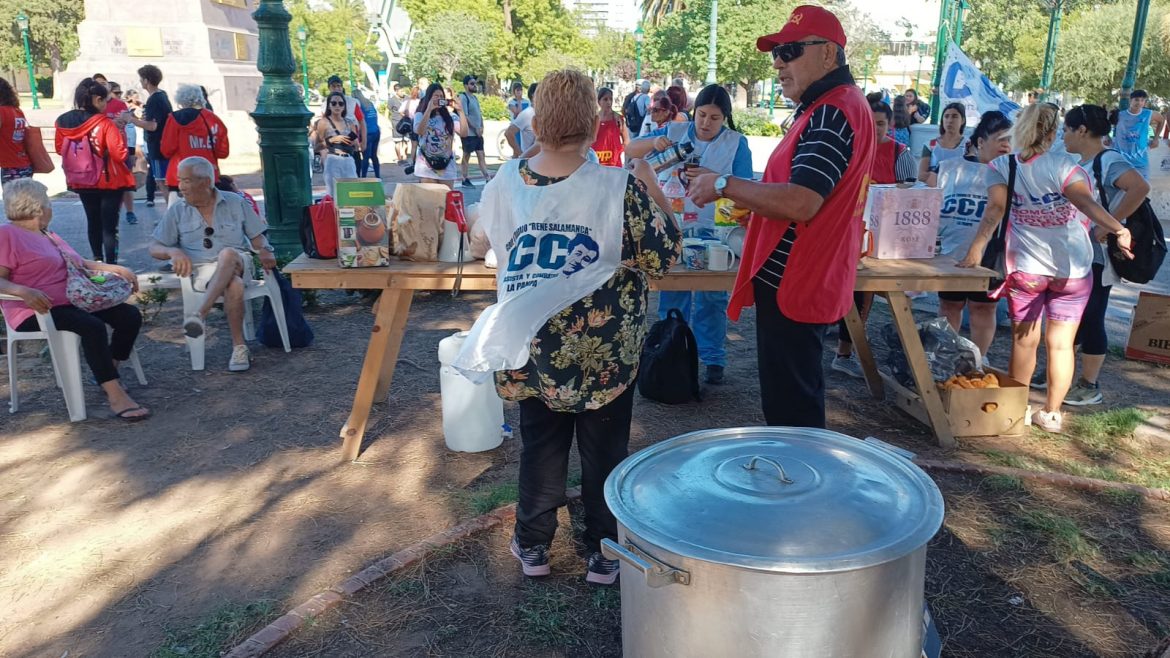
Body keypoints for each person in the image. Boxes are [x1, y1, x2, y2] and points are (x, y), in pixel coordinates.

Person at [456, 69, 679, 586]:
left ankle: (533, 545)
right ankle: (603, 553)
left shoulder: (504, 181)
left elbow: (478, 244)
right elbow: (664, 253)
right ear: (592, 121)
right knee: (605, 455)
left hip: (531, 348)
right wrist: (651, 185)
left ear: (537, 120)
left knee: (541, 450)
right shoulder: (617, 187)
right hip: (604, 355)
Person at [687, 4, 877, 428]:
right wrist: (755, 209)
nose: (778, 62)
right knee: (794, 399)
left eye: (789, 51)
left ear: (828, 54)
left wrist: (723, 184)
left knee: (792, 411)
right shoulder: (833, 106)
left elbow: (802, 201)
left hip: (799, 280)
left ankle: (801, 487)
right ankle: (799, 480)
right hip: (805, 276)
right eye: (776, 53)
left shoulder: (832, 111)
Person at [958, 103, 1133, 432]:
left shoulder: (1001, 166)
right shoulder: (1067, 167)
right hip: (1072, 270)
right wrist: (1118, 229)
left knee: (1024, 342)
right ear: (1053, 133)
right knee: (1061, 345)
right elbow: (1085, 203)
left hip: (1026, 269)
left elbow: (995, 210)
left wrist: (976, 248)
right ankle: (1051, 413)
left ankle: (1017, 409)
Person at [627, 84, 753, 385]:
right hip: (674, 225)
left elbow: (748, 186)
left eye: (715, 118)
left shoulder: (737, 143)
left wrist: (717, 178)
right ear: (693, 113)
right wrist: (654, 142)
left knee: (713, 294)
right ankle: (671, 350)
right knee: (673, 289)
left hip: (717, 230)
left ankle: (712, 358)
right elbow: (630, 152)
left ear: (726, 118)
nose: (706, 123)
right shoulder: (674, 132)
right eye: (702, 115)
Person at [0, 178, 149, 420]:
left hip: (73, 301)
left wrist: (114, 269)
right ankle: (115, 395)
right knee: (92, 327)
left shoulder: (47, 234)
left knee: (128, 316)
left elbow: (79, 263)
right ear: (38, 206)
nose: (51, 207)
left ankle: (107, 371)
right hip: (35, 310)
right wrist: (23, 291)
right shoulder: (7, 234)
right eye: (48, 202)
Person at [1058, 104, 1150, 406]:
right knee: (1071, 317)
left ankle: (1090, 384)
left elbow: (1139, 187)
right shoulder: (1081, 161)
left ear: (1082, 131)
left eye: (1067, 129)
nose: (1064, 134)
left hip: (1098, 255)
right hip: (1076, 253)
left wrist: (1108, 225)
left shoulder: (1108, 160)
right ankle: (1062, 375)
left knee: (1093, 315)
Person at [149, 156, 275, 373]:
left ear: (206, 181)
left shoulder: (235, 202)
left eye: (187, 181)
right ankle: (239, 347)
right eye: (180, 180)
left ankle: (199, 315)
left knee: (227, 254)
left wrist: (265, 250)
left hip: (240, 263)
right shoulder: (178, 210)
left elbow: (257, 238)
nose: (181, 187)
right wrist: (173, 250)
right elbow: (154, 247)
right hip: (202, 272)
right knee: (233, 284)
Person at [831, 99, 915, 379]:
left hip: (885, 236)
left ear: (890, 124)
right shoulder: (847, 150)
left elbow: (911, 196)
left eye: (880, 123)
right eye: (869, 122)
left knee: (864, 292)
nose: (874, 128)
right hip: (845, 229)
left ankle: (846, 351)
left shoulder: (900, 153)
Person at [935, 110, 1013, 360]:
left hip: (990, 254)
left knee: (983, 308)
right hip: (951, 252)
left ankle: (978, 358)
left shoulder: (1009, 173)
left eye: (1009, 140)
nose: (1006, 145)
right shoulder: (948, 169)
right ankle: (947, 355)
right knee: (950, 306)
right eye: (1000, 138)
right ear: (980, 141)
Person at [55, 78, 136, 264]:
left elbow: (61, 149)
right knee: (109, 226)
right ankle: (111, 263)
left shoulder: (62, 121)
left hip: (81, 179)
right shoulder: (104, 123)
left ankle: (97, 259)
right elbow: (119, 153)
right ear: (98, 99)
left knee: (93, 221)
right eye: (105, 101)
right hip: (108, 180)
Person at [161, 84, 230, 192]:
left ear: (180, 100)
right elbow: (223, 152)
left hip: (180, 176)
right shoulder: (213, 119)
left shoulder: (174, 118)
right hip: (208, 174)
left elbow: (167, 150)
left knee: (179, 208)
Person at [124, 65, 173, 207]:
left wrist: (131, 119)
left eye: (141, 79)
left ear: (146, 80)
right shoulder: (162, 95)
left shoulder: (154, 99)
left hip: (157, 145)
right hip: (163, 143)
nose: (140, 82)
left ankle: (171, 211)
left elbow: (153, 126)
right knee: (164, 180)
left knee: (161, 181)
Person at [412, 83, 467, 187]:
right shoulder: (420, 114)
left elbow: (464, 133)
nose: (439, 99)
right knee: (431, 201)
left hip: (447, 166)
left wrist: (460, 111)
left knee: (445, 200)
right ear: (429, 98)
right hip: (426, 166)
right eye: (436, 96)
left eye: (441, 96)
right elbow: (419, 131)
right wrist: (429, 109)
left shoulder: (450, 116)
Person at [1107, 89, 1163, 179]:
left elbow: (1161, 120)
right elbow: (1105, 122)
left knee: (1143, 188)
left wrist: (1156, 138)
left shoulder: (1148, 114)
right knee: (1121, 190)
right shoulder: (1119, 115)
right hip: (1120, 161)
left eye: (1142, 100)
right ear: (1130, 100)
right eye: (1136, 100)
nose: (1139, 103)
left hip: (1140, 161)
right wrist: (1106, 137)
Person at [315, 91, 360, 198]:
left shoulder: (350, 123)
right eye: (333, 103)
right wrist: (332, 140)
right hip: (333, 160)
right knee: (334, 196)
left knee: (352, 194)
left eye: (340, 103)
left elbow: (356, 147)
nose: (337, 106)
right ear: (329, 106)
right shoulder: (323, 122)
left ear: (344, 106)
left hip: (348, 160)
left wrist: (353, 142)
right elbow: (317, 146)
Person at [919, 102, 967, 185]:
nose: (950, 120)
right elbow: (921, 175)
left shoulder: (969, 146)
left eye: (955, 116)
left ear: (962, 120)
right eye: (946, 116)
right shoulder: (930, 145)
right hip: (935, 192)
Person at [457, 75, 491, 188]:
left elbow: (479, 114)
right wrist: (474, 128)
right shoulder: (463, 97)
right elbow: (465, 116)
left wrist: (481, 126)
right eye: (471, 84)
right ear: (466, 85)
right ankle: (464, 178)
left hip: (477, 133)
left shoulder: (474, 98)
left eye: (474, 83)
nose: (474, 85)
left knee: (481, 154)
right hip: (469, 133)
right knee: (466, 155)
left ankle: (487, 177)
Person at [0, 77, 30, 184]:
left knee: (14, 200)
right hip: (22, 163)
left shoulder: (1, 112)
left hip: (11, 167)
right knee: (25, 199)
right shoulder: (17, 111)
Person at [590, 87, 629, 167]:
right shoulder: (593, 119)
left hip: (614, 163)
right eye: (605, 99)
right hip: (597, 162)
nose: (609, 102)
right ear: (599, 102)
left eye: (611, 99)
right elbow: (590, 140)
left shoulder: (618, 119)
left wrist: (620, 151)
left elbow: (627, 141)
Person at [354, 89, 381, 179]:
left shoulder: (359, 106)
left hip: (367, 132)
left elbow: (360, 121)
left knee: (365, 156)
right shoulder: (369, 103)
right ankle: (377, 175)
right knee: (374, 155)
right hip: (376, 131)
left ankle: (363, 176)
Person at [506, 83, 538, 157]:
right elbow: (508, 133)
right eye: (517, 90)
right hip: (529, 160)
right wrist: (520, 154)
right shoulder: (527, 114)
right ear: (534, 95)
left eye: (521, 90)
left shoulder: (527, 102)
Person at [388, 83, 409, 163]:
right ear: (396, 91)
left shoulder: (407, 98)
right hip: (396, 122)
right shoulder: (391, 100)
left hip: (406, 121)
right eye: (401, 91)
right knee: (398, 141)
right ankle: (399, 157)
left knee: (406, 140)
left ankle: (405, 156)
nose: (403, 92)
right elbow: (388, 110)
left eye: (403, 91)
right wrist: (388, 122)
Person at [403, 87, 421, 172]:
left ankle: (413, 161)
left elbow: (401, 111)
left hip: (411, 124)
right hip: (419, 123)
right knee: (421, 144)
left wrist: (408, 116)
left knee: (413, 145)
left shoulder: (407, 102)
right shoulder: (420, 102)